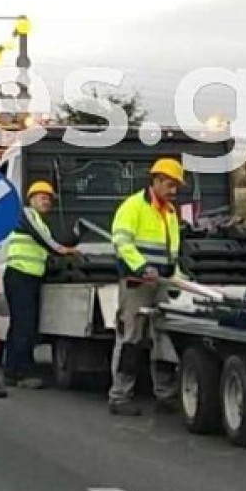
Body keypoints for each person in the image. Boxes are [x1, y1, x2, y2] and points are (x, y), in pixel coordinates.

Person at [107, 158, 185, 416]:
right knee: (131, 338)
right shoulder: (133, 206)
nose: (174, 191)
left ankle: (164, 394)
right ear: (156, 181)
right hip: (137, 283)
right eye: (170, 185)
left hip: (161, 282)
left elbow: (172, 251)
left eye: (176, 186)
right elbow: (121, 242)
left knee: (162, 338)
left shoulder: (171, 213)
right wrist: (141, 268)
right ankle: (119, 396)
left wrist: (178, 277)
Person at [2, 180, 77, 388]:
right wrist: (60, 250)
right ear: (32, 199)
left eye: (49, 199)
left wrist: (76, 236)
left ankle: (12, 371)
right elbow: (44, 239)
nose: (47, 202)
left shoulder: (41, 222)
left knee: (21, 325)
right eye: (43, 198)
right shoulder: (26, 214)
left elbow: (49, 240)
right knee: (24, 326)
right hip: (20, 276)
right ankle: (20, 373)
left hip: (30, 277)